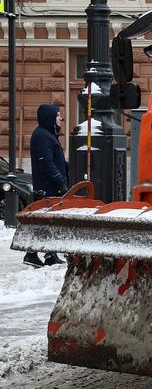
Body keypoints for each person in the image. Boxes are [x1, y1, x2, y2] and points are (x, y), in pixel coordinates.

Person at [25, 104, 67, 268]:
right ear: (49, 118)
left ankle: (47, 254)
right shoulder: (43, 136)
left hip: (50, 186)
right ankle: (33, 253)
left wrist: (68, 167)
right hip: (47, 188)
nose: (60, 118)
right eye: (58, 115)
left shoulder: (48, 135)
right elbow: (46, 163)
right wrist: (60, 181)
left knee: (47, 222)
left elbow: (56, 161)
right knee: (45, 221)